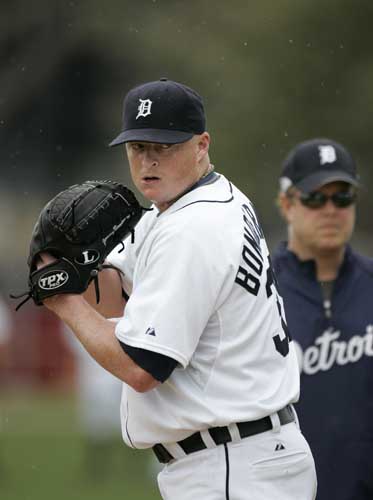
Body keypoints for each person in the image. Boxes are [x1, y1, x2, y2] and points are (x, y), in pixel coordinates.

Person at [37, 78, 316, 499]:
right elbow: (119, 292)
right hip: (247, 456)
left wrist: (63, 300)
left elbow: (141, 367)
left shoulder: (192, 228)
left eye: (163, 146)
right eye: (137, 147)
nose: (148, 161)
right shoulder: (196, 202)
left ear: (201, 145)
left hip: (232, 465)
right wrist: (73, 269)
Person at [273, 138, 373, 500]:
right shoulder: (256, 294)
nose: (330, 209)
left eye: (342, 197)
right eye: (316, 197)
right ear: (287, 204)